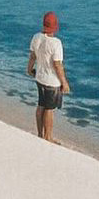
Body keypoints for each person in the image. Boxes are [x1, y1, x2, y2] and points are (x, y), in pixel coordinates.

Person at [27, 11, 70, 142]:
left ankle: (40, 134)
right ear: (55, 27)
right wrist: (65, 82)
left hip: (39, 77)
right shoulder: (56, 43)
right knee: (49, 109)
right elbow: (57, 65)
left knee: (41, 104)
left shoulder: (36, 37)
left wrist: (29, 69)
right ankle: (48, 137)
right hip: (52, 81)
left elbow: (33, 56)